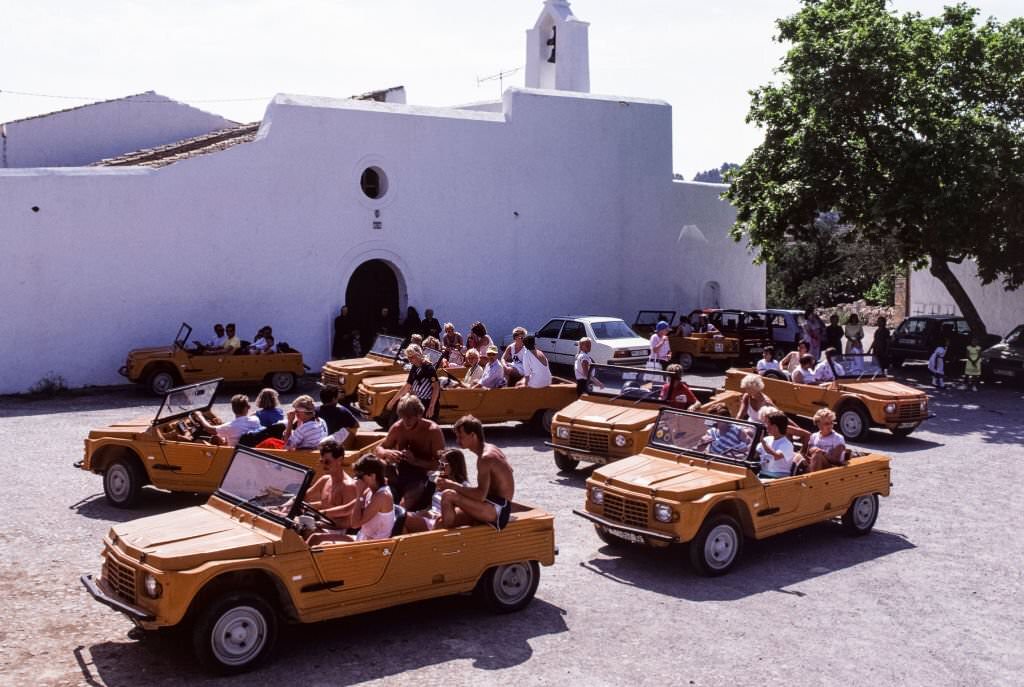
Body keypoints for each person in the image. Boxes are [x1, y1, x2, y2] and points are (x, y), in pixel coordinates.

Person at [437, 415, 515, 529]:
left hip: (497, 510)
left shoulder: (486, 457)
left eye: (461, 437)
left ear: (473, 435)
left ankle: (443, 538)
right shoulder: (491, 449)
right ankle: (444, 531)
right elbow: (509, 470)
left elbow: (480, 496)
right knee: (440, 520)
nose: (457, 441)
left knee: (448, 495)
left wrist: (452, 485)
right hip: (495, 504)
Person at [374, 394, 445, 506]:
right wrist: (388, 453)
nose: (406, 421)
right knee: (377, 464)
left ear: (419, 415)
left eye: (409, 417)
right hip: (399, 472)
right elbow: (378, 449)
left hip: (422, 475)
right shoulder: (397, 428)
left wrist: (415, 461)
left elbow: (441, 464)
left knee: (410, 497)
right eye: (403, 416)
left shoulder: (432, 431)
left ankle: (401, 512)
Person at [304, 439, 364, 544]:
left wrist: (319, 523)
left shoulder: (348, 486)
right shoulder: (325, 480)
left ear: (340, 460)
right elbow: (304, 497)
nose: (324, 465)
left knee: (308, 534)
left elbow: (348, 523)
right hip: (323, 526)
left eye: (327, 462)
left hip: (340, 533)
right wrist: (287, 504)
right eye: (321, 461)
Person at [404, 449, 470, 533]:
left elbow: (458, 514)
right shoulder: (438, 480)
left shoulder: (463, 487)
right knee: (399, 519)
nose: (439, 467)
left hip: (437, 522)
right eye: (439, 463)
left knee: (403, 518)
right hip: (427, 515)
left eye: (443, 464)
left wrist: (432, 515)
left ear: (454, 466)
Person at [386, 344, 440, 419]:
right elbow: (408, 385)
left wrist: (431, 406)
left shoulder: (429, 368)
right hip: (417, 402)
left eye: (412, 357)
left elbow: (436, 387)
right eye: (408, 357)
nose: (410, 359)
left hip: (427, 403)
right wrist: (393, 401)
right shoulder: (414, 367)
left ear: (418, 355)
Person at [352, 455, 396, 541]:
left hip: (373, 547)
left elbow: (355, 524)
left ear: (372, 476)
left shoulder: (382, 496)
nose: (357, 480)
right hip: (362, 538)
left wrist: (359, 495)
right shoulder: (369, 490)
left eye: (360, 476)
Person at [191, 394, 262, 447]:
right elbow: (239, 426)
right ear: (248, 407)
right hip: (249, 450)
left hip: (233, 455)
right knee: (217, 438)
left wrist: (199, 416)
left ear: (233, 409)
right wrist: (221, 424)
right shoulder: (255, 419)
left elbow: (209, 429)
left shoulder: (230, 426)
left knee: (199, 441)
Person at [757, 409, 796, 478]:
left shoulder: (787, 445)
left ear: (775, 427)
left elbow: (776, 456)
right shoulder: (767, 439)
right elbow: (755, 453)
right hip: (762, 474)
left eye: (768, 424)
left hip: (778, 478)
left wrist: (763, 442)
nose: (766, 426)